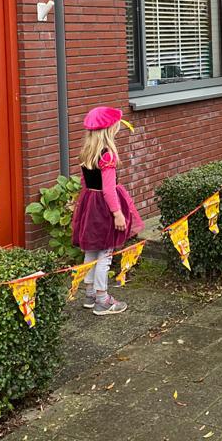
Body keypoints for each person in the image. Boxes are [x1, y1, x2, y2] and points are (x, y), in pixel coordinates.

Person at [70, 106, 144, 315]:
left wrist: (85, 206)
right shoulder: (107, 155)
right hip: (105, 207)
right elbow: (109, 190)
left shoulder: (87, 152)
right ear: (110, 129)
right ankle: (102, 299)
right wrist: (117, 213)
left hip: (90, 204)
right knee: (105, 252)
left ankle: (90, 294)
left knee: (91, 250)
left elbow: (84, 182)